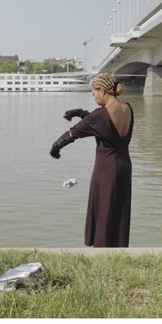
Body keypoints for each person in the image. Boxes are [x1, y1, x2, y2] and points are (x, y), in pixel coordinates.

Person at [50, 73, 134, 247]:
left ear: (102, 91)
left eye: (94, 93)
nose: (93, 97)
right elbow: (103, 124)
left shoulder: (98, 115)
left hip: (106, 169)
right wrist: (82, 113)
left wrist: (55, 147)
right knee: (118, 209)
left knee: (104, 209)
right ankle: (119, 249)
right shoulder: (128, 108)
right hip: (124, 166)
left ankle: (102, 251)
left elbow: (73, 133)